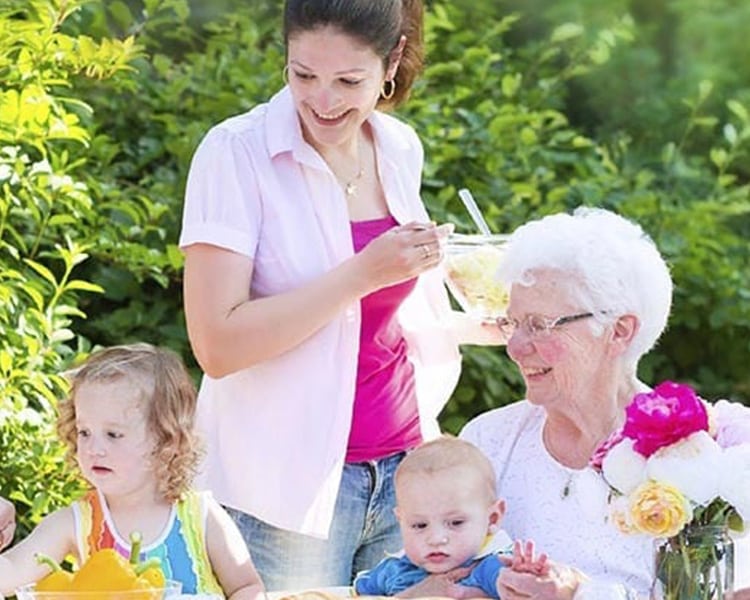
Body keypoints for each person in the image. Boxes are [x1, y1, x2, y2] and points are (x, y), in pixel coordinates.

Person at [179, 0, 502, 591]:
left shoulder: (398, 147)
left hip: (408, 477)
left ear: (391, 62)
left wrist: (478, 325)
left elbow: (376, 323)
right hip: (288, 492)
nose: (323, 102)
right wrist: (360, 273)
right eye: (303, 75)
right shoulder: (236, 154)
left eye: (348, 81)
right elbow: (217, 345)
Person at [457, 207, 750, 599]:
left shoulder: (701, 456)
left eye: (539, 325)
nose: (514, 346)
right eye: (512, 322)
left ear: (619, 332)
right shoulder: (487, 441)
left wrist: (579, 593)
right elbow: (434, 571)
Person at [0, 343, 264, 600]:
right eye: (84, 432)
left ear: (165, 438)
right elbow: (11, 572)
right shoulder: (74, 523)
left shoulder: (201, 516)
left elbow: (246, 585)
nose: (94, 448)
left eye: (113, 434)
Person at [353, 436, 548, 598]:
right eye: (420, 525)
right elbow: (351, 593)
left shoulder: (489, 566)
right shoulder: (393, 570)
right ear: (401, 521)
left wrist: (524, 577)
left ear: (493, 519)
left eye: (456, 523)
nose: (436, 539)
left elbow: (510, 584)